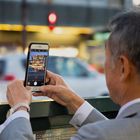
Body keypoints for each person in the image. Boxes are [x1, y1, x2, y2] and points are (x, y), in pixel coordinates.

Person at [3, 9, 140, 140]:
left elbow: (106, 135)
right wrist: (73, 101)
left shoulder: (95, 135)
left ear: (123, 67)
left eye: (107, 58)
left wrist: (20, 108)